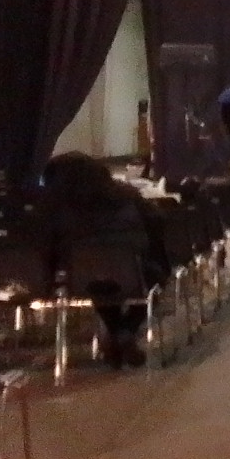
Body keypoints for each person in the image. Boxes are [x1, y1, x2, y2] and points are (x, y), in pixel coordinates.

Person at [44, 152, 154, 368]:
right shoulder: (128, 197)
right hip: (131, 271)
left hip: (81, 278)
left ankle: (117, 334)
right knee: (153, 278)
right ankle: (126, 330)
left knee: (97, 283)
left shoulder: (56, 209)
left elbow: (49, 245)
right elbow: (152, 229)